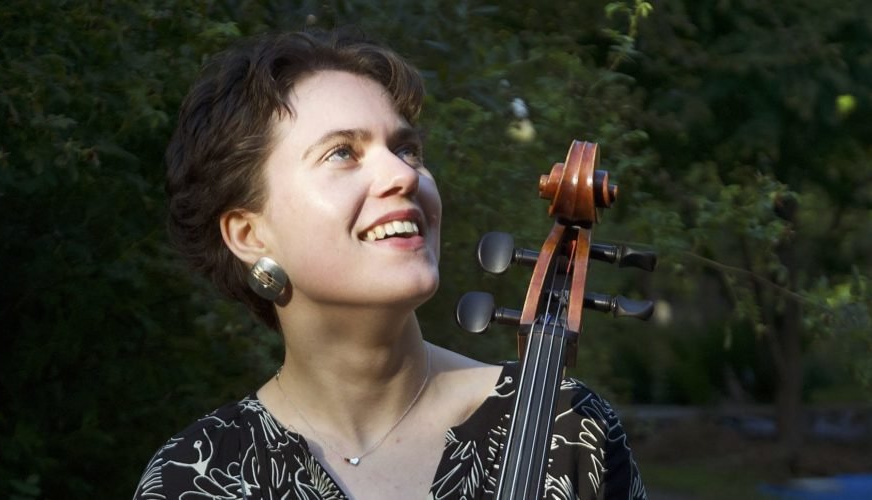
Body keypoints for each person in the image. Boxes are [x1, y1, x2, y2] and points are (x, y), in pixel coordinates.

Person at [133, 28, 647, 500]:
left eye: (407, 149)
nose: (403, 175)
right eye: (342, 153)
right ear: (249, 235)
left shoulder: (569, 429)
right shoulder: (195, 477)